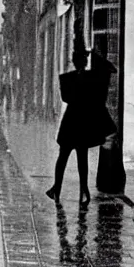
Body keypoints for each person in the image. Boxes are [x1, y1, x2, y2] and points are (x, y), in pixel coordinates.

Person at [46, 49, 117, 207]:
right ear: (79, 61)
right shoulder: (71, 78)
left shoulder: (74, 78)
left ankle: (75, 189)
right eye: (83, 58)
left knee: (75, 158)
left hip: (74, 122)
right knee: (68, 158)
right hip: (76, 122)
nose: (85, 61)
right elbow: (67, 97)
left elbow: (108, 73)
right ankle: (61, 188)